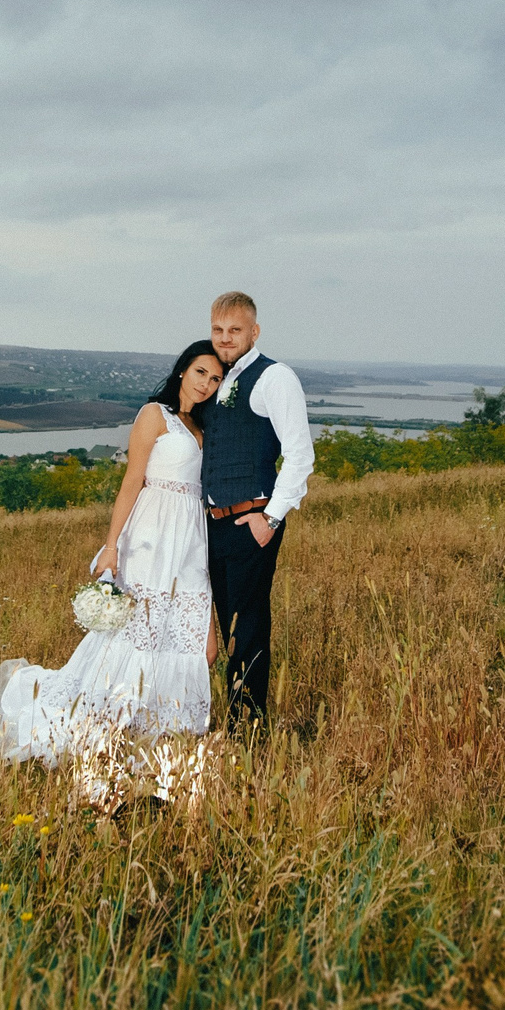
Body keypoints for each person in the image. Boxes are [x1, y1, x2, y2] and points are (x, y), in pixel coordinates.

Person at [0, 342, 223, 766]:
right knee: (139, 636)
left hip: (190, 538)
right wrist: (111, 547)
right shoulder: (156, 415)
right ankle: (109, 723)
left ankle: (162, 727)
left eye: (216, 378)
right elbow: (132, 480)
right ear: (183, 370)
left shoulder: (204, 423)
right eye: (201, 372)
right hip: (151, 533)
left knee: (199, 644)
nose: (207, 383)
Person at [200, 290, 312, 731]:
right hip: (213, 523)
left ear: (254, 331)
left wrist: (270, 518)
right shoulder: (215, 377)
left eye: (235, 330)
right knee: (224, 624)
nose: (225, 339)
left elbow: (300, 455)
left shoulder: (274, 377)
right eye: (218, 330)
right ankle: (226, 717)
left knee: (247, 626)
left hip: (252, 520)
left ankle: (247, 727)